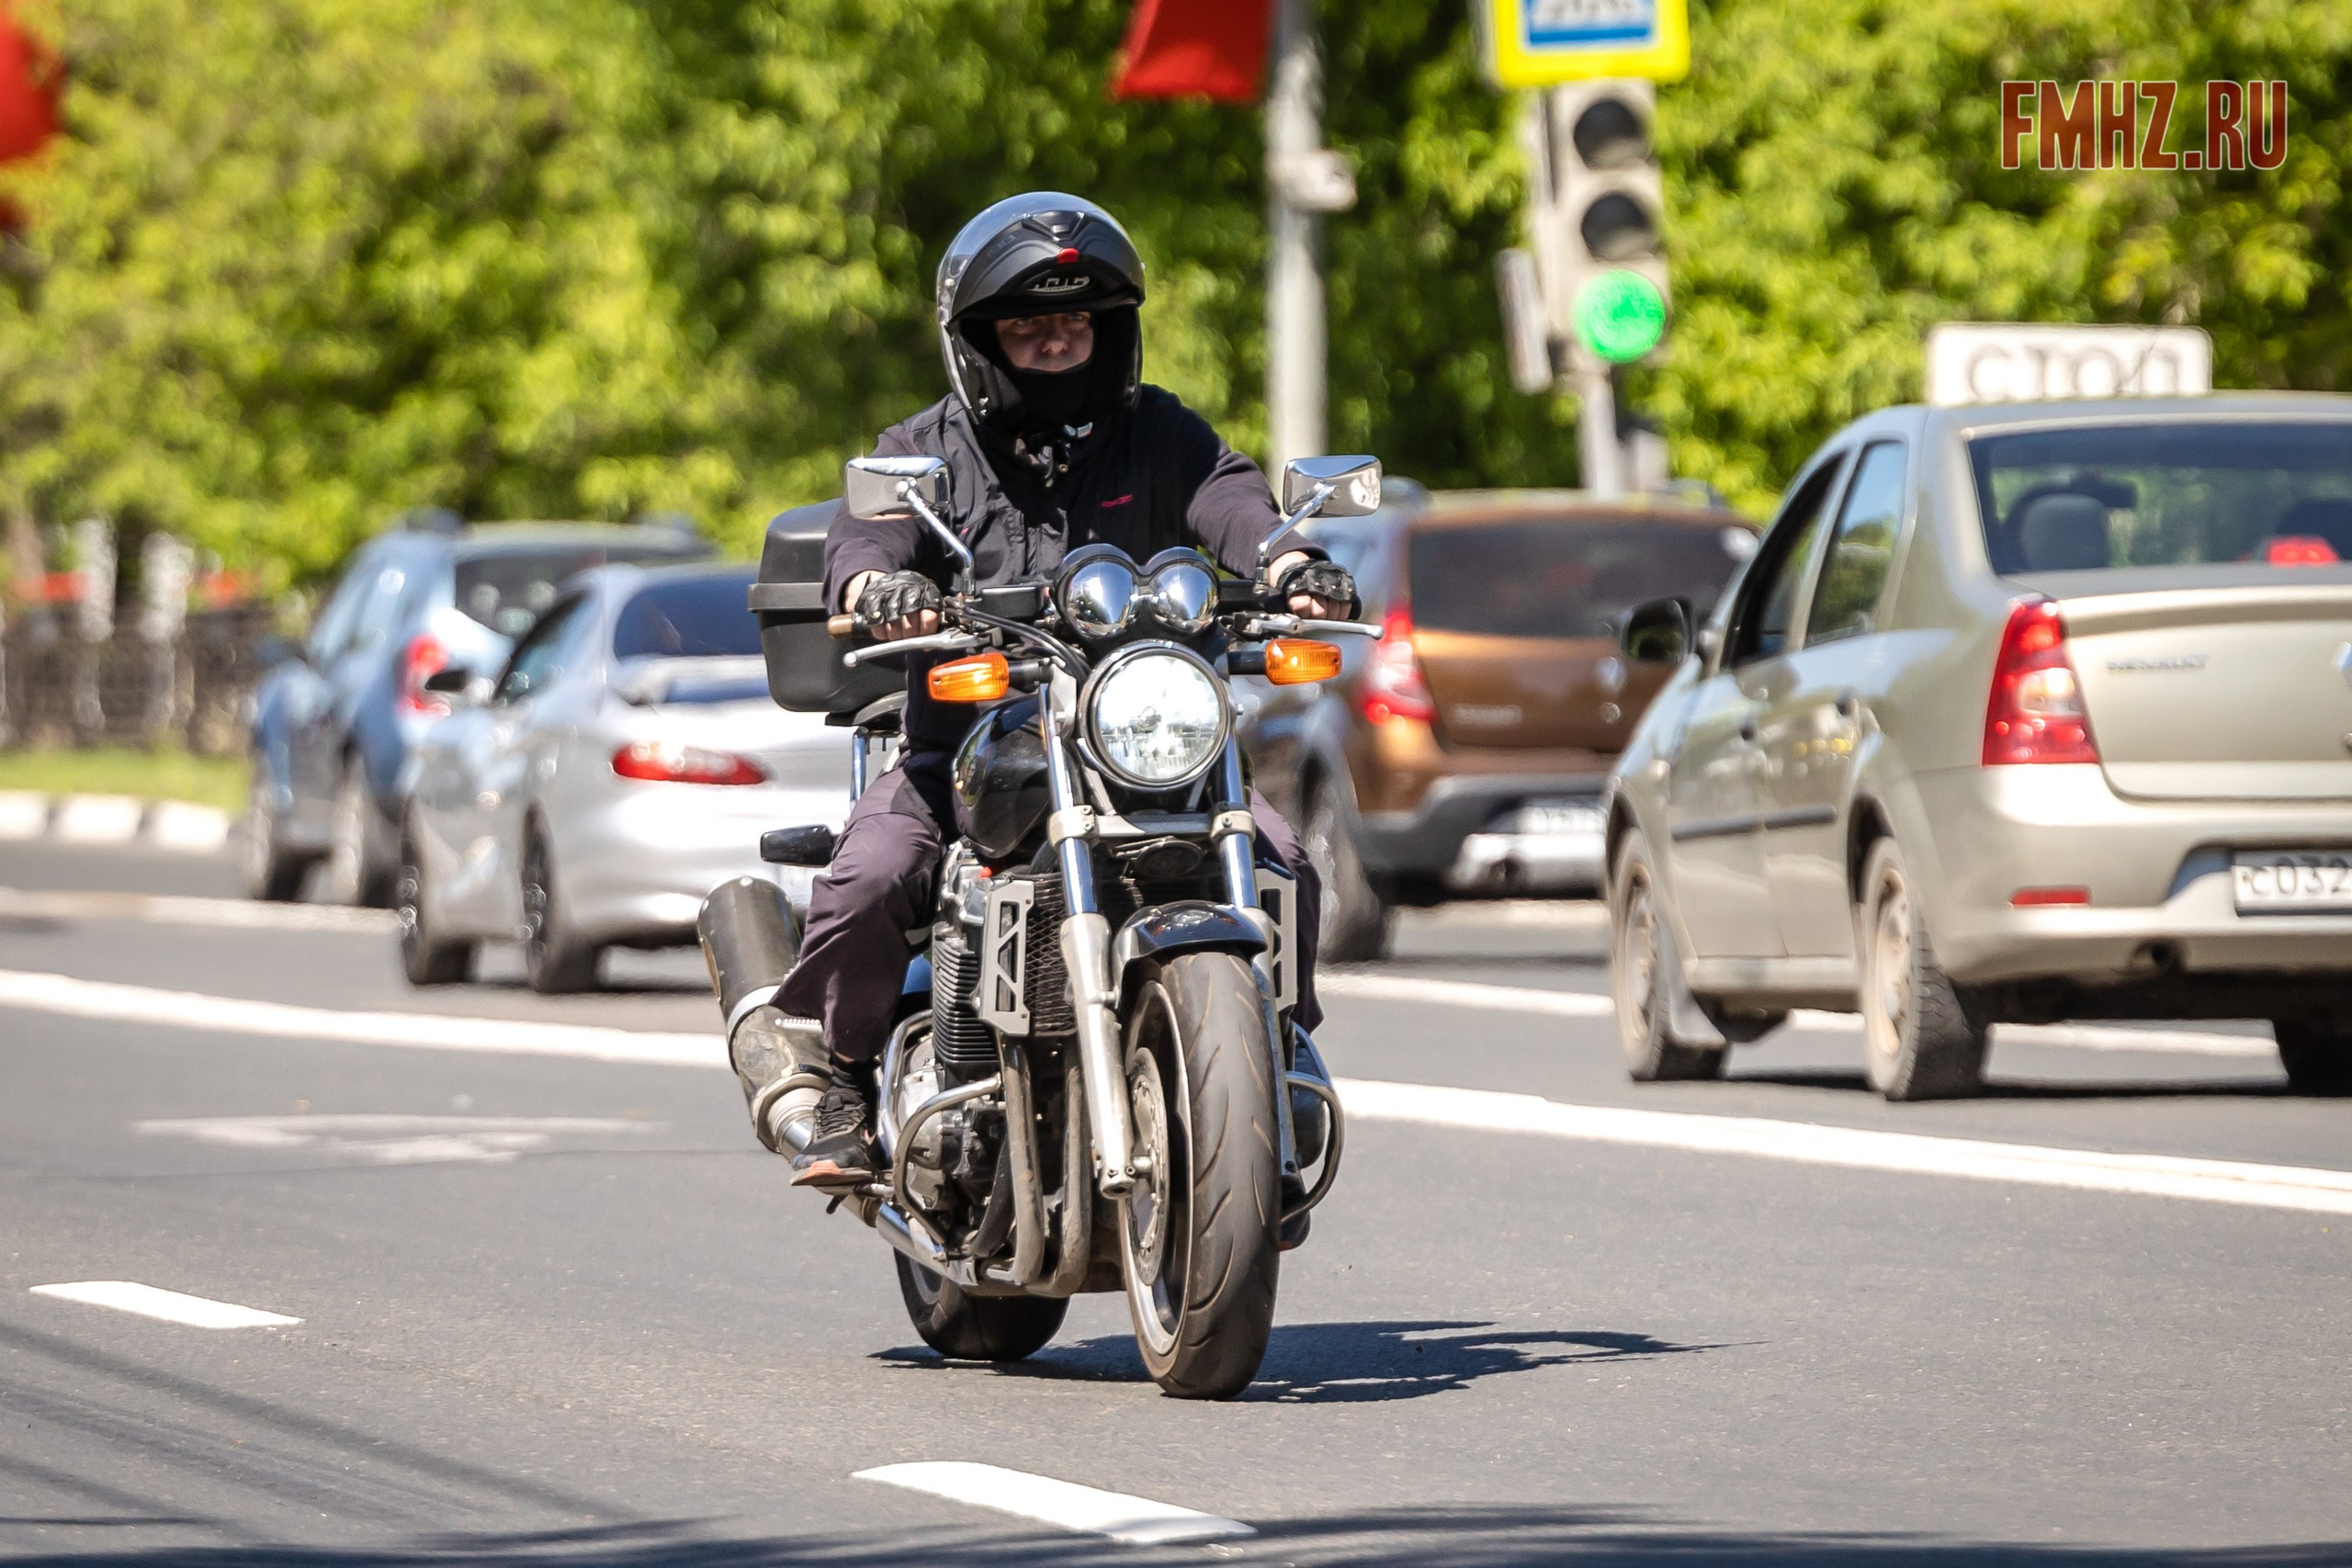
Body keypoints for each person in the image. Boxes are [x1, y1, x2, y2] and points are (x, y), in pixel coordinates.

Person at [772, 192, 1357, 1192]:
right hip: (968, 748)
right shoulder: (923, 450)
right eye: (1029, 327)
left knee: (1284, 860)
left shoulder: (1156, 431)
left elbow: (1232, 500)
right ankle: (834, 1073)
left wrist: (1292, 559)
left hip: (1140, 747)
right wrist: (880, 589)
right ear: (981, 342)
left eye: (1073, 323)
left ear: (1110, 330)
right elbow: (860, 543)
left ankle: (1271, 1062)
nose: (1054, 345)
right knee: (872, 875)